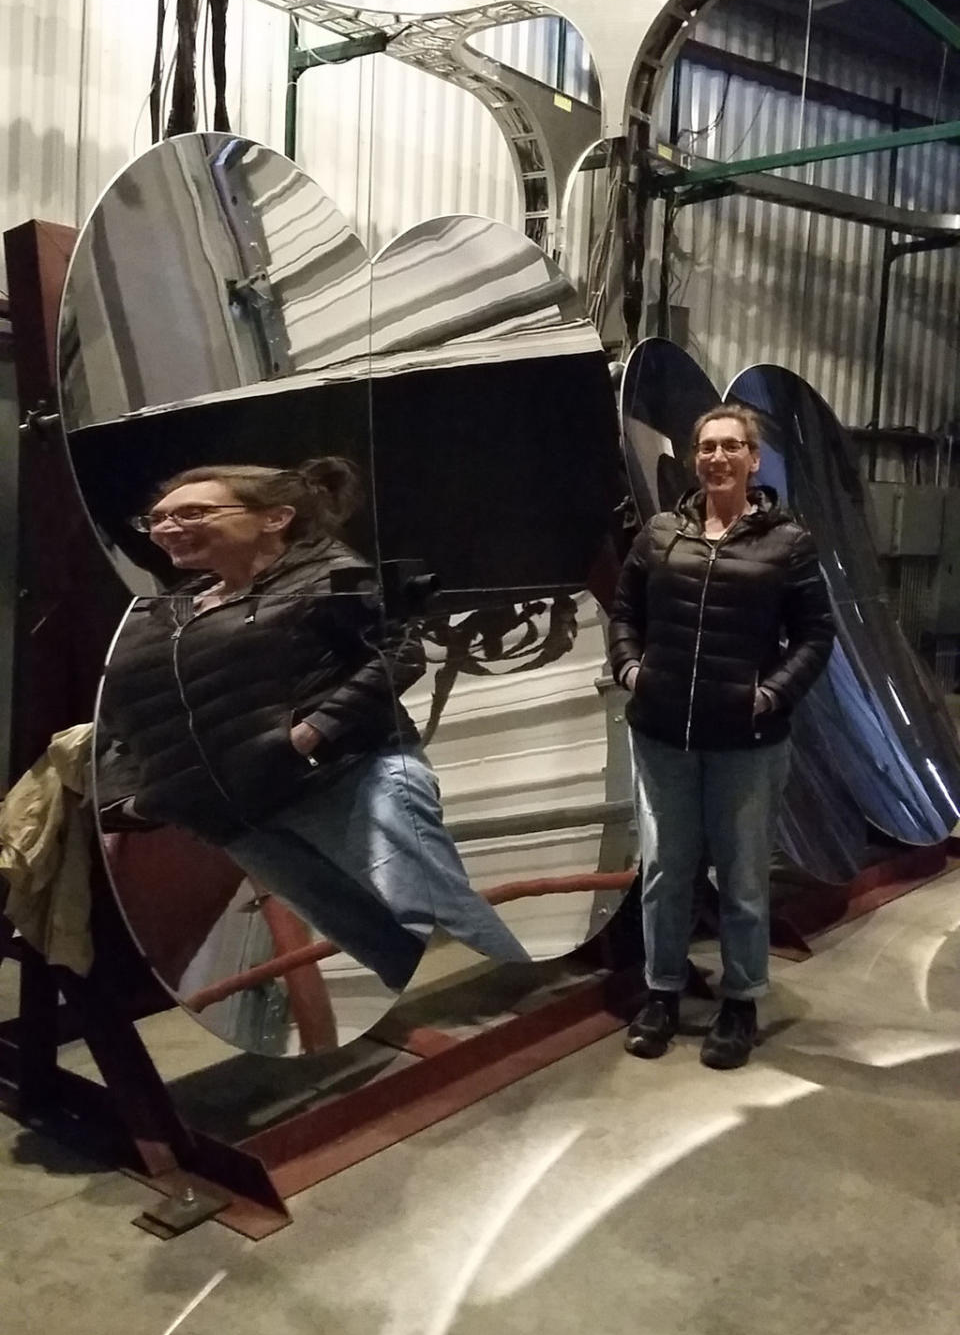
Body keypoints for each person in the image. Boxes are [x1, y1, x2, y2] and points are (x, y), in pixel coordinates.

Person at [98, 456, 530, 993]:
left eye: (191, 514)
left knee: (436, 912)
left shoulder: (325, 574)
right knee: (370, 939)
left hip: (346, 778)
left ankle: (527, 1001)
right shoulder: (165, 614)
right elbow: (121, 713)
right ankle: (470, 1028)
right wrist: (138, 798)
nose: (166, 529)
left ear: (274, 518)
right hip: (237, 817)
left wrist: (315, 730)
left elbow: (401, 650)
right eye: (156, 520)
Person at [608, 404, 834, 1069]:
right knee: (665, 872)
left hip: (747, 742)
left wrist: (771, 694)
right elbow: (626, 611)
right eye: (706, 446)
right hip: (662, 735)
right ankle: (662, 993)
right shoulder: (659, 533)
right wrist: (630, 668)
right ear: (695, 457)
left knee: (740, 877)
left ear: (752, 460)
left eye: (731, 446)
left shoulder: (788, 543)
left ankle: (740, 1001)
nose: (717, 457)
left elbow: (817, 634)